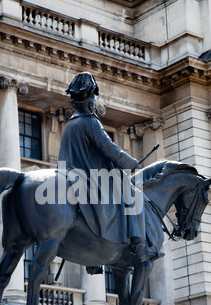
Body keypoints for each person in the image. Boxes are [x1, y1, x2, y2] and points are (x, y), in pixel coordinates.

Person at [58, 72, 158, 262]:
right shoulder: (91, 121)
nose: (95, 102)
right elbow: (108, 147)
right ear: (89, 102)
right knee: (134, 195)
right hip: (90, 176)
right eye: (94, 98)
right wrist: (131, 163)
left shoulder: (70, 125)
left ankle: (93, 263)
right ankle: (139, 245)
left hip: (68, 174)